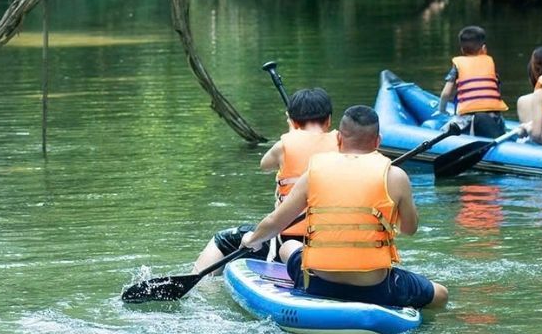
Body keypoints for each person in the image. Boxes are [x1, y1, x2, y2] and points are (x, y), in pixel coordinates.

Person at [237, 105, 448, 310]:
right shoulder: (396, 176)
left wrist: (252, 239)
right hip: (375, 288)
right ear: (378, 141)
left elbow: (275, 223)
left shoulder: (313, 173)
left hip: (319, 283)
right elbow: (409, 230)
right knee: (441, 295)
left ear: (339, 138)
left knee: (287, 247)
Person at [192, 88, 337, 272]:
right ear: (329, 120)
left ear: (292, 121)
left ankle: (202, 287)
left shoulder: (283, 146)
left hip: (290, 241)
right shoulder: (343, 144)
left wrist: (292, 135)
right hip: (334, 239)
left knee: (222, 240)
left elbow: (265, 164)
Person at [438, 25, 508, 137]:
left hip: (467, 119)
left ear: (462, 49)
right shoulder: (489, 63)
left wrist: (441, 111)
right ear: (484, 48)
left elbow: (446, 94)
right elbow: (496, 91)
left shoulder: (458, 66)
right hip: (494, 116)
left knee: (441, 131)